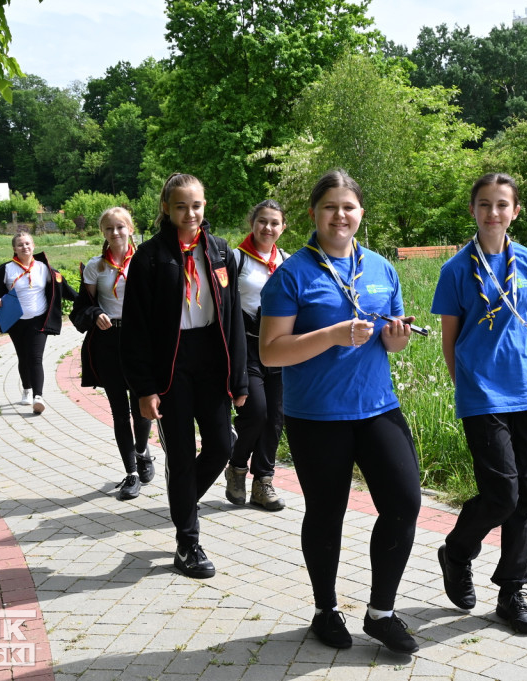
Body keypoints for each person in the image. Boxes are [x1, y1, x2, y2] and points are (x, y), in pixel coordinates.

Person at [259, 170, 421, 655]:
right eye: (330, 207)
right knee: (327, 513)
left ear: (360, 214)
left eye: (348, 207)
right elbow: (270, 352)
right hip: (317, 415)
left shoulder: (379, 268)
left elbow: (390, 338)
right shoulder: (292, 275)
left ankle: (381, 612)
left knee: (404, 502)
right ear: (314, 214)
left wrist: (396, 339)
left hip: (377, 407)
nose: (340, 215)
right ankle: (325, 609)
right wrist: (330, 335)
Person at [429, 172, 527, 634]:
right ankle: (457, 552)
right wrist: (467, 387)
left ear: (515, 211)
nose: (493, 212)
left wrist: (525, 373)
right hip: (481, 394)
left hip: (526, 391)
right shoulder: (456, 269)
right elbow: (451, 341)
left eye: (502, 204)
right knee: (503, 493)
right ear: (473, 210)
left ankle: (511, 590)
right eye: (484, 204)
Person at [120, 173, 248, 579]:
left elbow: (232, 318)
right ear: (166, 209)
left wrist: (240, 380)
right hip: (170, 366)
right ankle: (188, 542)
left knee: (222, 445)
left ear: (205, 205)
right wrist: (143, 389)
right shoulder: (151, 257)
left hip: (211, 359)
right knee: (179, 454)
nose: (189, 213)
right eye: (180, 206)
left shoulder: (221, 251)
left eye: (196, 205)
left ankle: (182, 501)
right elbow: (135, 329)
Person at [70, 207, 154, 501]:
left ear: (131, 228)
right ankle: (131, 472)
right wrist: (95, 314)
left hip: (140, 340)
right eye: (109, 228)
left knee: (142, 405)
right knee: (119, 410)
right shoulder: (96, 267)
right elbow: (81, 306)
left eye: (120, 227)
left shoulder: (145, 259)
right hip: (109, 341)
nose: (115, 233)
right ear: (102, 233)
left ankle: (143, 452)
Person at [223, 199, 289, 511]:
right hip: (246, 346)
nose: (268, 228)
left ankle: (263, 482)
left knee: (276, 419)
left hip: (279, 346)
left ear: (283, 227)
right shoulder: (236, 259)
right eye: (262, 221)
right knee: (257, 411)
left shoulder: (287, 261)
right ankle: (237, 467)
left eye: (274, 223)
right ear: (253, 223)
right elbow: (222, 306)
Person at [0, 231, 77, 415]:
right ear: (14, 249)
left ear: (33, 246)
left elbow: (65, 289)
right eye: (20, 245)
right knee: (23, 357)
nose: (24, 247)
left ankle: (38, 397)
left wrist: (85, 302)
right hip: (16, 322)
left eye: (27, 244)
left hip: (38, 321)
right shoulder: (6, 270)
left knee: (35, 357)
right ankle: (26, 389)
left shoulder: (45, 269)